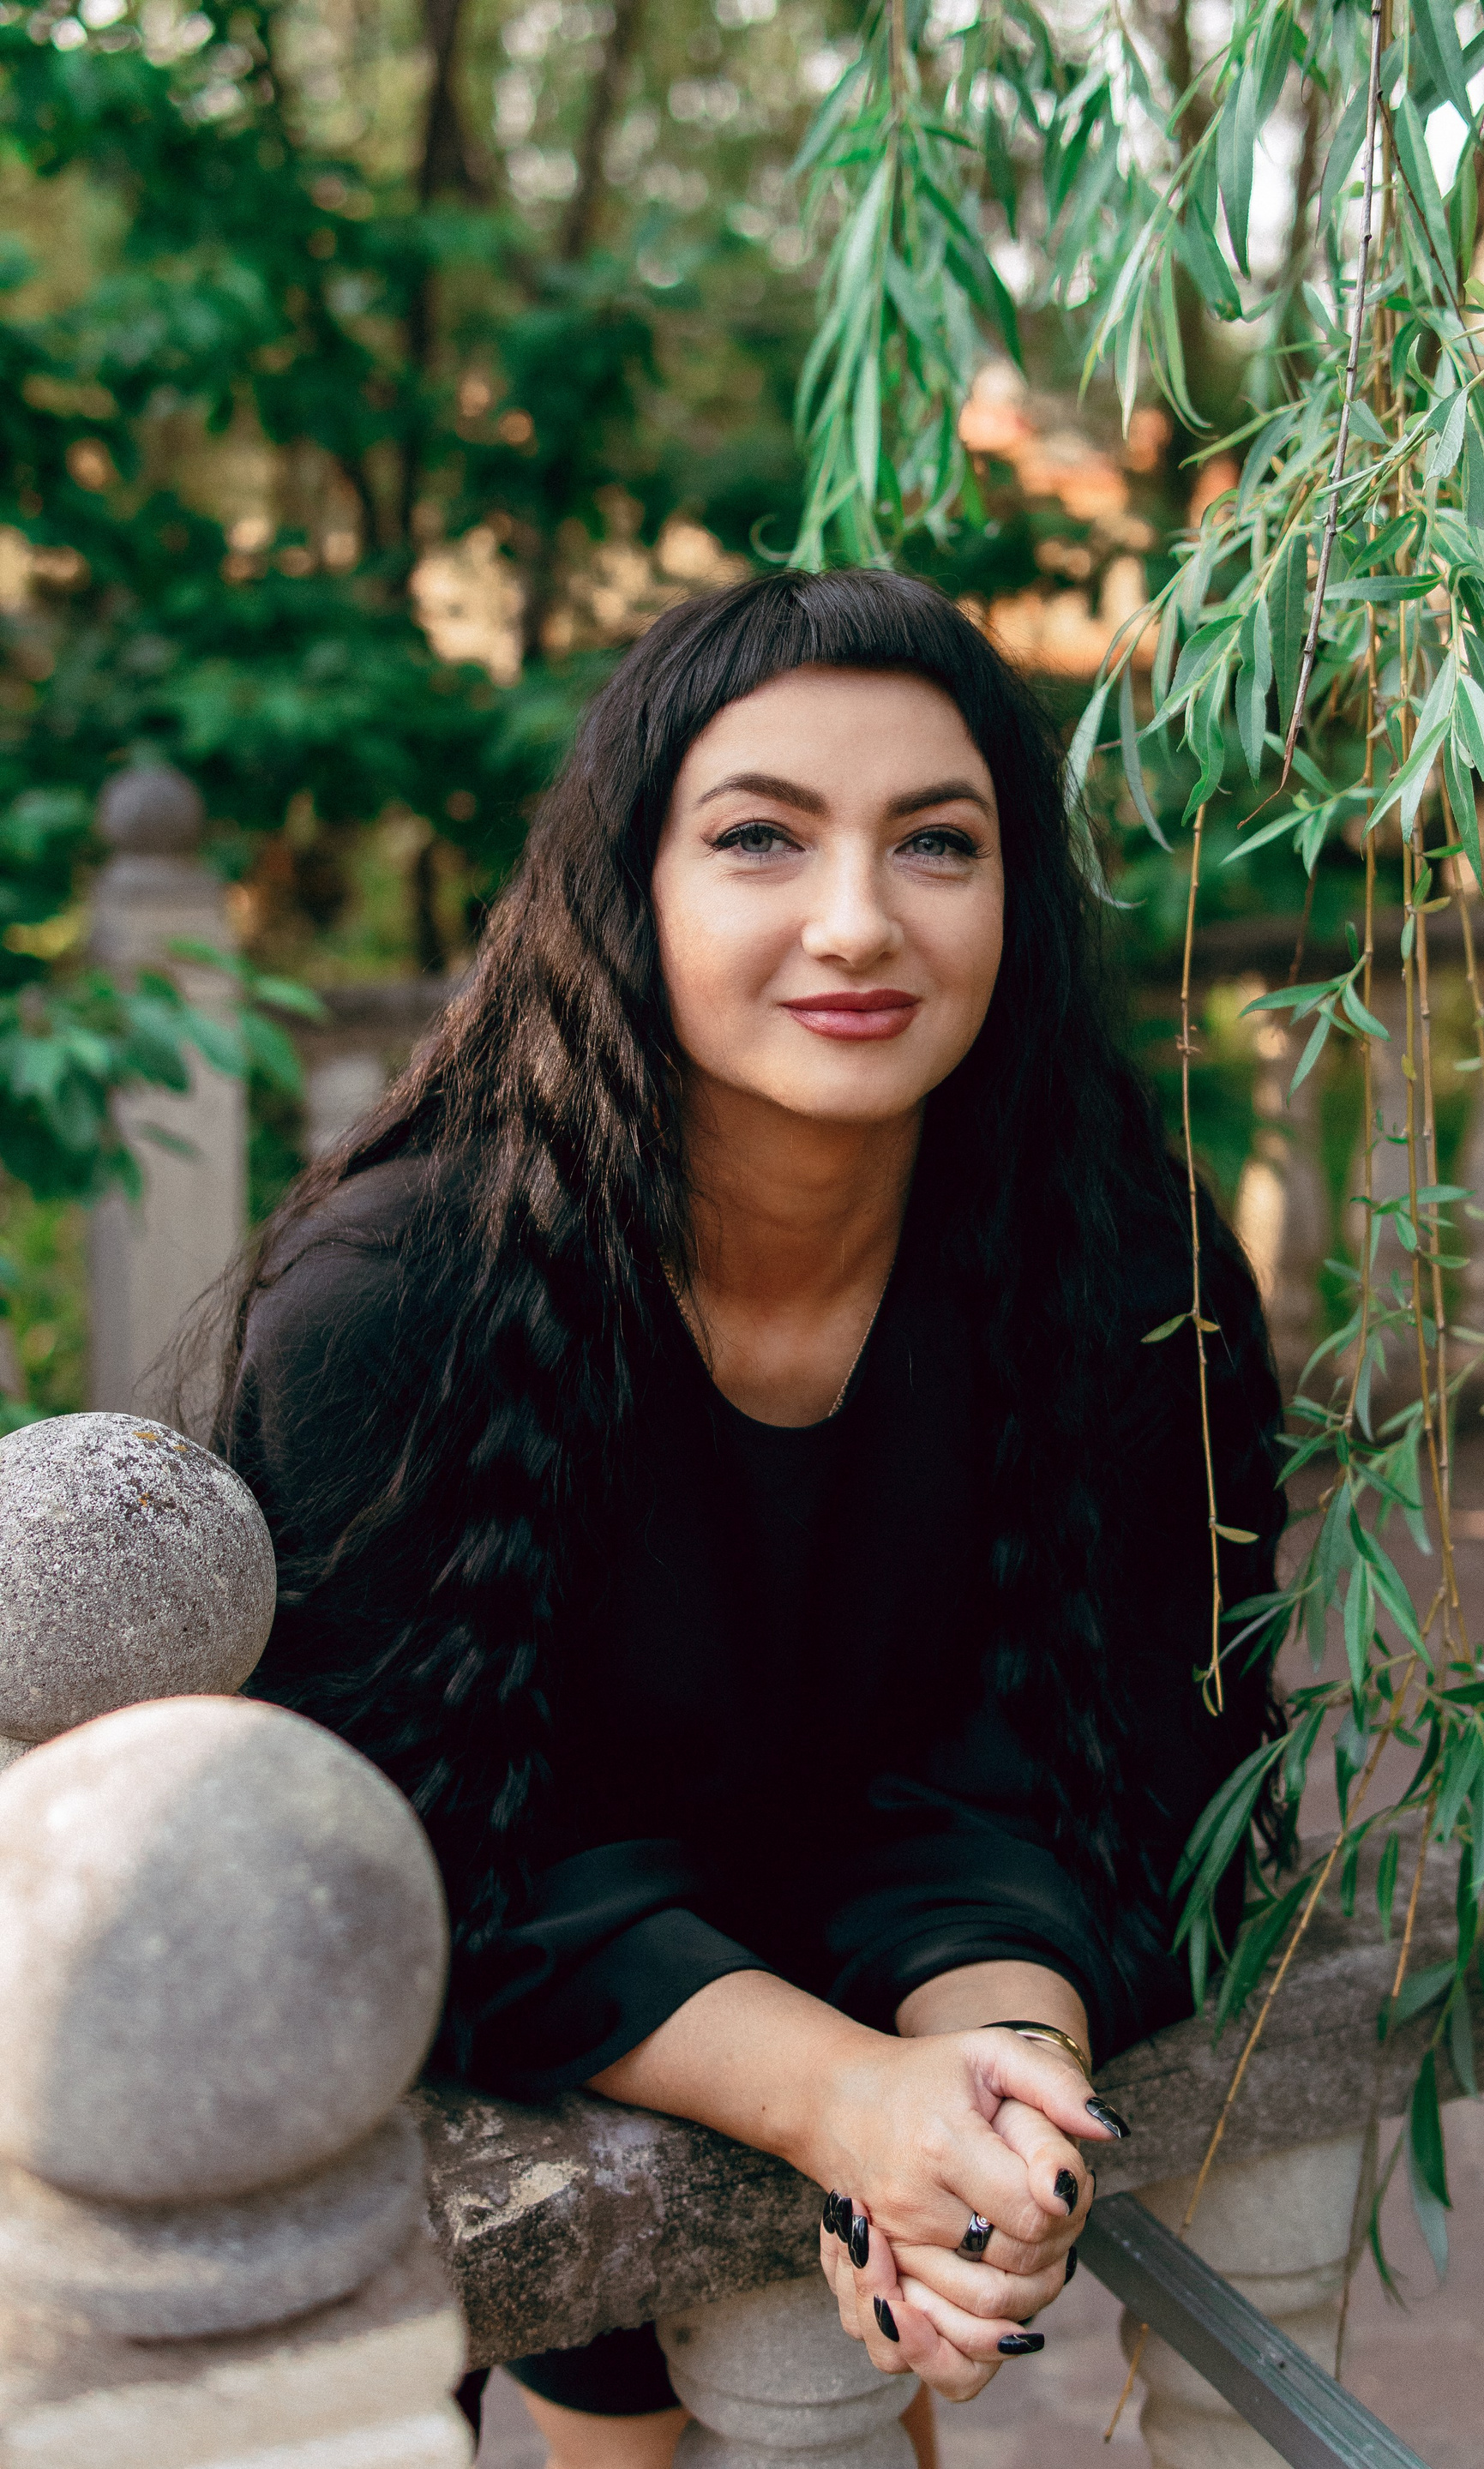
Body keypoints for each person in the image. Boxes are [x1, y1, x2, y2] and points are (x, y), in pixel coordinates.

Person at [214, 568, 1284, 2469]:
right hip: (546, 2015)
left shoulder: (1127, 1270)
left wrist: (997, 2091)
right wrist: (836, 2096)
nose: (857, 920)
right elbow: (406, 1859)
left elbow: (1128, 1770)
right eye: (760, 837)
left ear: (1019, 897)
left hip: (883, 1942)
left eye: (937, 842)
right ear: (628, 889)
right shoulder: (402, 1303)